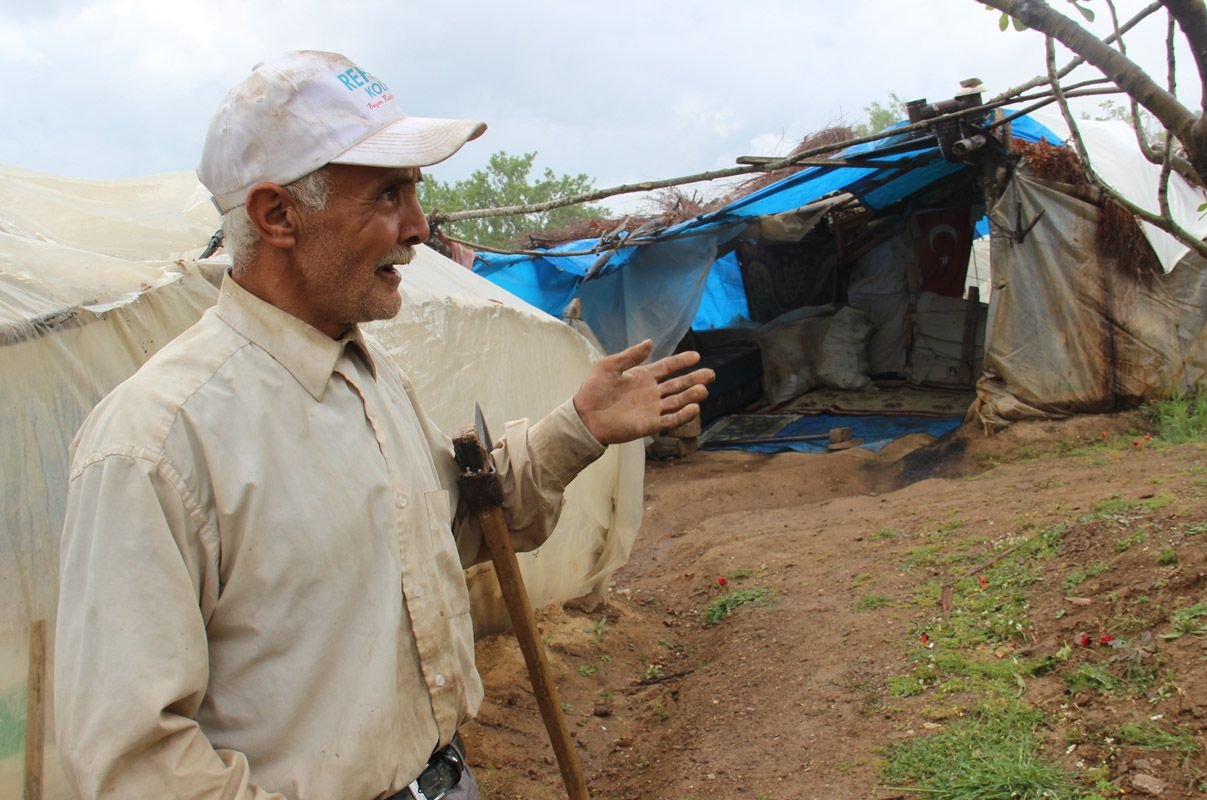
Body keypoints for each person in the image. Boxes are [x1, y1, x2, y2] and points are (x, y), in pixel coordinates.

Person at [53, 50, 713, 800]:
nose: (420, 226)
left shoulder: (365, 374)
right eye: (388, 195)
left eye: (415, 192)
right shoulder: (157, 444)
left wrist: (578, 426)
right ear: (277, 215)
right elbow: (135, 763)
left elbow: (455, 525)